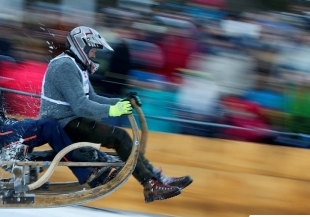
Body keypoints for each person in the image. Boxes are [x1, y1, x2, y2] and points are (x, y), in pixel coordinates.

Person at [39, 26, 194, 203]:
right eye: (93, 51)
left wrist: (122, 102)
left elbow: (93, 98)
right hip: (60, 124)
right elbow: (81, 105)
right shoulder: (64, 66)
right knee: (120, 137)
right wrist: (113, 110)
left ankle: (156, 178)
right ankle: (150, 183)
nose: (94, 55)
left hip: (70, 120)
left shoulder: (75, 65)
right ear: (83, 47)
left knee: (124, 143)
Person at [0, 53, 118, 188]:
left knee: (57, 124)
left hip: (7, 130)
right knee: (50, 126)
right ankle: (87, 174)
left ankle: (90, 159)